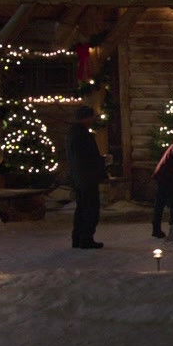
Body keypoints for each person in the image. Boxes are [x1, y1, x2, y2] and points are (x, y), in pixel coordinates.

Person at [65, 105, 105, 249]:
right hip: (86, 177)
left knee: (82, 207)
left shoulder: (73, 134)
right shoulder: (82, 136)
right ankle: (86, 238)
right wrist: (100, 164)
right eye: (92, 117)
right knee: (90, 208)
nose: (93, 120)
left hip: (79, 177)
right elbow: (87, 157)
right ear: (86, 118)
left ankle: (78, 237)